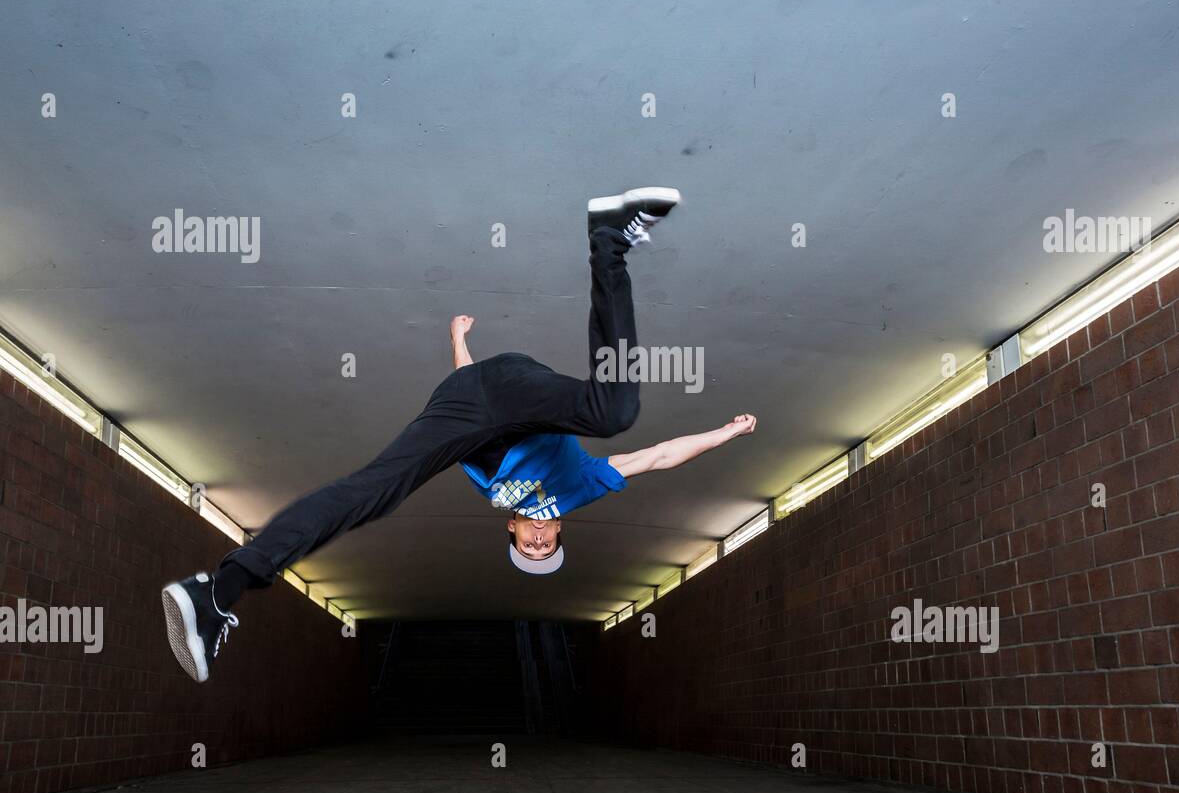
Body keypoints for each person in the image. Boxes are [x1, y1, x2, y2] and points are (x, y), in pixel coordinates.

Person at [161, 188, 758, 682]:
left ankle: (219, 588)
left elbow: (465, 403)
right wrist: (725, 434)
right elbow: (657, 459)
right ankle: (610, 245)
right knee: (614, 417)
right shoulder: (582, 488)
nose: (541, 538)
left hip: (483, 408)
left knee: (378, 489)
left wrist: (456, 348)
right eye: (547, 544)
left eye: (531, 546)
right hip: (498, 389)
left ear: (512, 529)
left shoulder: (498, 499)